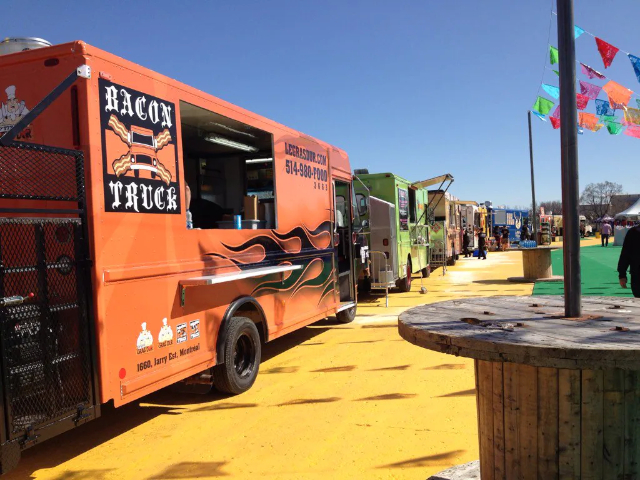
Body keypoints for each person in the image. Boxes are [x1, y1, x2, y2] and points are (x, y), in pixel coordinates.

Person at [618, 224, 640, 297]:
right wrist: (622, 275)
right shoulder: (633, 232)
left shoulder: (633, 232)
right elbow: (625, 255)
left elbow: (625, 254)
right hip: (637, 274)